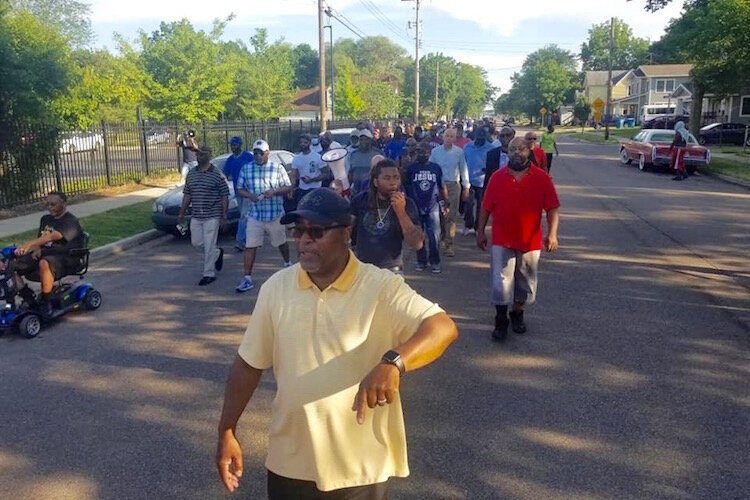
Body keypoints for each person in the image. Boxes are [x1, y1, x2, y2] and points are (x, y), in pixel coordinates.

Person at [215, 187, 458, 497]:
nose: (304, 240)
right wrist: (227, 430)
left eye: (316, 231)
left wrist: (394, 363)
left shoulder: (380, 286)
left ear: (346, 232)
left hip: (360, 467)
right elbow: (248, 365)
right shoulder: (277, 287)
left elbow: (442, 327)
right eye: (298, 231)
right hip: (289, 462)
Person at [476, 138, 560, 341]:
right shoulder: (497, 177)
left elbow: (552, 208)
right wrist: (480, 231)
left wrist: (552, 234)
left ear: (528, 150)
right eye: (513, 149)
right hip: (501, 239)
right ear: (508, 151)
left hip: (529, 241)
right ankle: (501, 319)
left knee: (525, 281)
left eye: (521, 149)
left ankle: (517, 313)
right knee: (500, 281)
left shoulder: (542, 178)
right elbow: (486, 207)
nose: (517, 152)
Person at [4, 191, 84, 315]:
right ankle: (28, 298)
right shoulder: (45, 219)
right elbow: (41, 239)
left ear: (63, 204)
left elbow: (54, 236)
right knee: (8, 264)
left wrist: (30, 243)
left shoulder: (70, 221)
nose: (50, 207)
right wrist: (36, 248)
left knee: (44, 263)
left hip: (67, 257)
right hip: (44, 254)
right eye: (47, 204)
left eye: (53, 204)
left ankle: (46, 301)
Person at [235, 140, 294, 293]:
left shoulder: (277, 168)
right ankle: (247, 278)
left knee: (281, 242)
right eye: (255, 152)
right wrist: (250, 196)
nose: (258, 155)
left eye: (261, 153)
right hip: (255, 214)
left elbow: (288, 186)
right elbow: (240, 188)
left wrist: (274, 192)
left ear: (267, 153)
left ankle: (288, 265)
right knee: (250, 245)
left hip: (274, 213)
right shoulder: (246, 168)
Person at [350, 159, 423, 273]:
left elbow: (417, 243)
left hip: (392, 270)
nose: (393, 182)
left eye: (396, 178)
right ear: (375, 182)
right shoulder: (360, 201)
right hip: (362, 270)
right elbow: (345, 231)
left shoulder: (407, 204)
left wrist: (401, 212)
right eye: (387, 178)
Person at [178, 147, 229, 286]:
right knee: (196, 243)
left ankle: (208, 274)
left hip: (212, 215)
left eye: (203, 154)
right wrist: (182, 212)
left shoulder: (217, 174)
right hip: (196, 215)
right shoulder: (192, 174)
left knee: (209, 244)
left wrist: (224, 215)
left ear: (209, 156)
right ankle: (217, 253)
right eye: (198, 154)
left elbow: (224, 196)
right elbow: (187, 194)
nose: (200, 156)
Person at [405, 142, 447, 273]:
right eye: (419, 152)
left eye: (424, 152)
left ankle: (435, 261)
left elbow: (441, 186)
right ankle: (421, 261)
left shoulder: (436, 168)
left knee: (434, 236)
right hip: (416, 207)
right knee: (418, 236)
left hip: (433, 206)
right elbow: (406, 186)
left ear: (429, 153)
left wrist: (445, 202)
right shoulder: (411, 168)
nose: (421, 154)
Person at [429, 128, 469, 258]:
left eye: (452, 136)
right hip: (438, 186)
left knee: (451, 215)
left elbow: (463, 169)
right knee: (439, 215)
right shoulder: (435, 152)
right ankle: (441, 238)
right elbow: (430, 168)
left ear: (455, 138)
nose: (449, 139)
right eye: (447, 136)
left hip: (453, 185)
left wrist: (466, 187)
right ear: (443, 137)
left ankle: (449, 244)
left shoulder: (459, 152)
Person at [223, 137, 254, 252]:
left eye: (235, 145)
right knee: (246, 216)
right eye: (231, 145)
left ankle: (240, 242)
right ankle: (250, 238)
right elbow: (224, 173)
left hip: (248, 191)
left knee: (243, 216)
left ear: (240, 145)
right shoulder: (230, 159)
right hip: (238, 192)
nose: (233, 147)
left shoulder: (248, 157)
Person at [462, 127, 494, 235]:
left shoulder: (490, 148)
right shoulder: (468, 146)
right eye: (478, 137)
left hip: (483, 182)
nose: (479, 139)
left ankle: (477, 227)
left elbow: (493, 165)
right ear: (475, 136)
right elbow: (463, 162)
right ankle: (468, 224)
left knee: (481, 207)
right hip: (469, 180)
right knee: (468, 205)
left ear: (485, 137)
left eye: (482, 137)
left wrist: (487, 169)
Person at [290, 133, 330, 210]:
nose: (303, 144)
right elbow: (293, 176)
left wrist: (312, 180)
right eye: (301, 142)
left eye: (305, 142)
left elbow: (326, 174)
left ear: (309, 143)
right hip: (302, 190)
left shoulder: (317, 157)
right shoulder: (296, 159)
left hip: (315, 189)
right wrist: (291, 189)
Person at [346, 129, 383, 198]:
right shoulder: (353, 155)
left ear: (371, 140)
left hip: (373, 192)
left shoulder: (378, 153)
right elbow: (350, 174)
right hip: (356, 192)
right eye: (361, 140)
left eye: (366, 139)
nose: (363, 142)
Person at [483, 127, 514, 191]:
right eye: (502, 136)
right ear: (499, 138)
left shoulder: (521, 154)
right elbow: (488, 177)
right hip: (497, 190)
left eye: (508, 135)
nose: (505, 137)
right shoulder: (491, 154)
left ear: (513, 136)